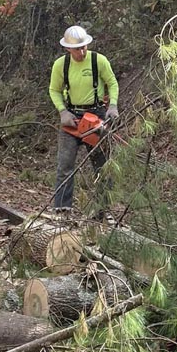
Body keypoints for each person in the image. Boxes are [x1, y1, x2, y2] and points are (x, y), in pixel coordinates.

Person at [49, 25, 119, 212]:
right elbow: (54, 90)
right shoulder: (60, 65)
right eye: (77, 48)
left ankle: (103, 210)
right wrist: (63, 111)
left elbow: (112, 83)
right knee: (65, 166)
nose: (81, 51)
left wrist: (112, 105)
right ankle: (62, 210)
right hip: (72, 118)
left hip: (95, 116)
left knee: (102, 166)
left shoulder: (98, 61)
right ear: (68, 49)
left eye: (84, 47)